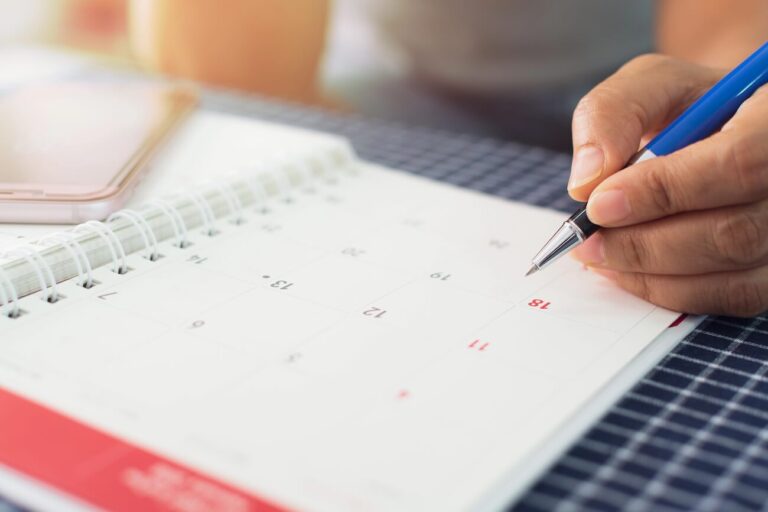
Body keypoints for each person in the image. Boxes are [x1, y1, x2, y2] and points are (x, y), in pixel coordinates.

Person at [129, 0, 768, 317]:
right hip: (373, 84)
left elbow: (734, 41)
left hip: (656, 91)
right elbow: (227, 63)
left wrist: (738, 125)